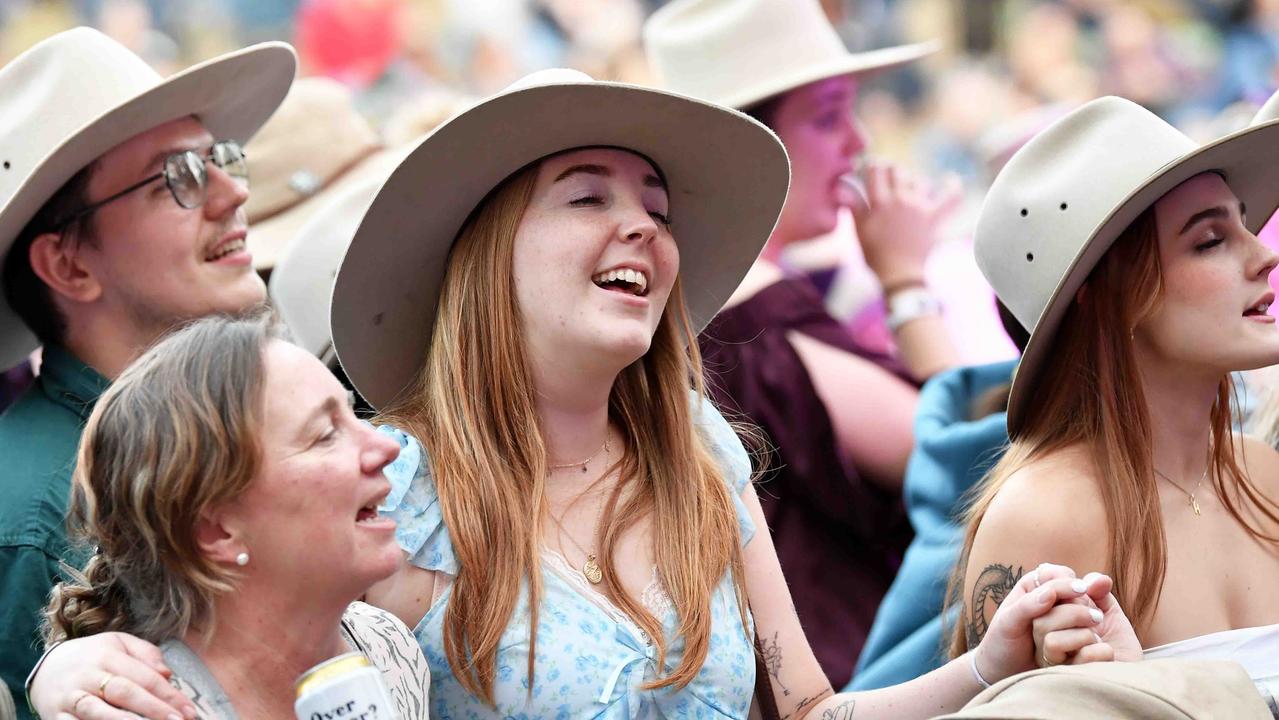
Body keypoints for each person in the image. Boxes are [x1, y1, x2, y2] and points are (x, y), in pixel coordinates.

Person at [31, 68, 1118, 720]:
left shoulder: (697, 448)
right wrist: (65, 671)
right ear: (487, 259)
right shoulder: (389, 486)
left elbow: (805, 710)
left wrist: (983, 664)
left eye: (654, 203)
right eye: (586, 196)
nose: (643, 224)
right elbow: (208, 628)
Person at [643, 0, 957, 684]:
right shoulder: (747, 314)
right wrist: (904, 281)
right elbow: (967, 458)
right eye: (826, 115)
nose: (855, 143)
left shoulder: (705, 302)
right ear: (746, 151)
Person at [0, 27, 295, 709]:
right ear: (68, 266)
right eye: (178, 177)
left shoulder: (249, 426)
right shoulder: (36, 519)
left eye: (219, 160)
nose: (231, 193)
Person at [952, 96, 1279, 692]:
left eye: (1244, 224)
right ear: (1112, 296)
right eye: (1210, 240)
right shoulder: (1042, 518)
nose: (1264, 254)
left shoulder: (1263, 473)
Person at [40, 313, 430, 718]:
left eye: (353, 415)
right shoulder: (140, 708)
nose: (387, 448)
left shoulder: (387, 645)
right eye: (325, 434)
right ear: (216, 531)